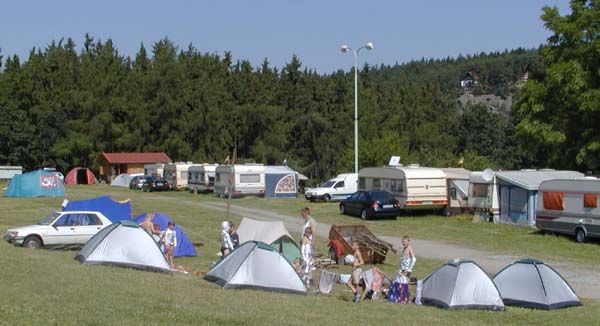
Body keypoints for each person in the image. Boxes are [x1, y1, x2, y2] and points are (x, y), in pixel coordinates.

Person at [397, 235, 416, 303]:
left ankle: (406, 299)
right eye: (402, 242)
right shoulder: (404, 248)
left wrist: (409, 269)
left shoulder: (409, 248)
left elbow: (413, 259)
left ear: (408, 241)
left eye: (404, 242)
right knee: (401, 283)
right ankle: (403, 298)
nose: (403, 243)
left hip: (406, 270)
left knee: (405, 283)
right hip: (402, 269)